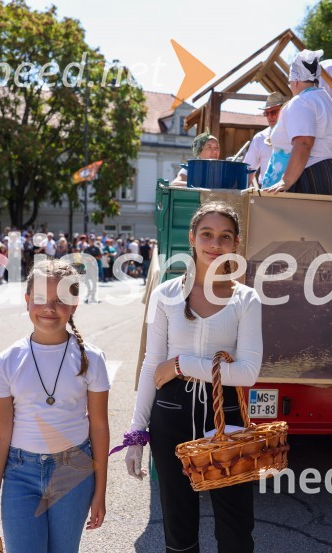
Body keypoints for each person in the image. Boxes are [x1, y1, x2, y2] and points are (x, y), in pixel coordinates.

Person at [122, 202, 263, 553]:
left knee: (236, 528)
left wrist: (183, 363)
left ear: (236, 244)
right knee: (179, 527)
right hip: (171, 415)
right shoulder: (166, 294)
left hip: (225, 419)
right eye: (207, 234)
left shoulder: (247, 299)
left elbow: (248, 372)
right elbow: (151, 365)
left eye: (224, 237)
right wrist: (137, 432)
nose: (215, 244)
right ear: (192, 238)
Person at [0, 258, 110, 552]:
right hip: (20, 473)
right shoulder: (8, 360)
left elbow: (99, 427)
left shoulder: (93, 359)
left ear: (74, 305)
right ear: (26, 301)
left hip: (73, 471)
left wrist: (100, 491)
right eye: (40, 299)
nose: (49, 308)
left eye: (60, 300)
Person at [263, 49, 332, 196]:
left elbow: (304, 143)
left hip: (311, 175)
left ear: (295, 81)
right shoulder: (328, 102)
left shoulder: (301, 101)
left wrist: (286, 180)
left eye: (289, 81)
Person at [243, 92, 287, 186]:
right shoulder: (259, 138)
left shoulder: (295, 134)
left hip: (291, 190)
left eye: (273, 112)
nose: (270, 116)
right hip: (267, 191)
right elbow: (249, 169)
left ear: (283, 111)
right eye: (266, 113)